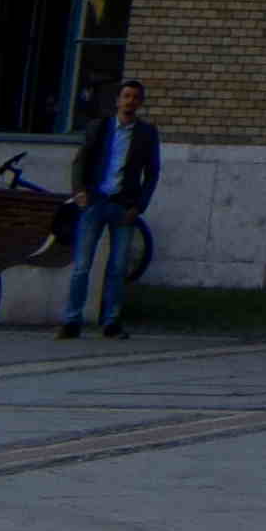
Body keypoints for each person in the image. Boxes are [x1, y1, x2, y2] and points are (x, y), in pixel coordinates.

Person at [55, 77, 160, 337]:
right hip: (95, 202)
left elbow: (153, 172)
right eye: (126, 96)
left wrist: (140, 205)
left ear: (141, 102)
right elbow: (81, 160)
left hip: (124, 207)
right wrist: (79, 191)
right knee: (82, 265)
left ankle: (111, 321)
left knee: (117, 267)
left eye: (135, 97)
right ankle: (72, 320)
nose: (130, 101)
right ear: (117, 100)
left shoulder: (147, 133)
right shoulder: (99, 127)